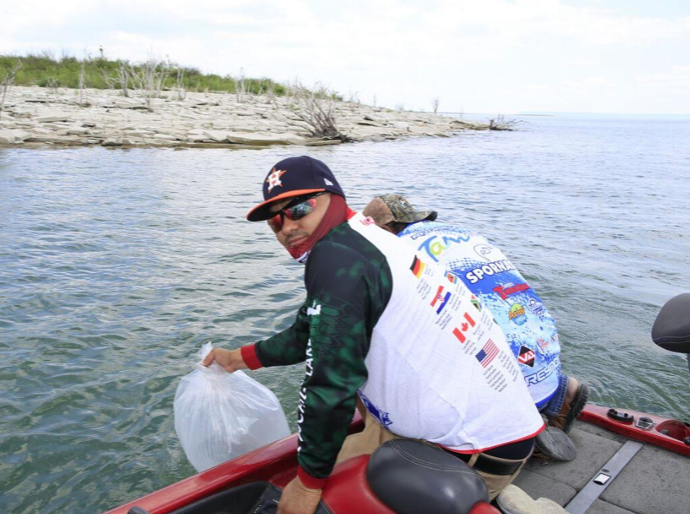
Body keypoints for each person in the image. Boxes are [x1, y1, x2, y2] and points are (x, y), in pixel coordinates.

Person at [203, 156, 545, 514]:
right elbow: (309, 332)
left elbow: (332, 383)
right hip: (478, 425)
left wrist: (307, 486)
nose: (287, 227)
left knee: (309, 497)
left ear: (333, 197)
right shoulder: (363, 236)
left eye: (299, 208)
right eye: (275, 220)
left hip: (470, 448)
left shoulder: (337, 260)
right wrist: (239, 358)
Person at [361, 194, 589, 443]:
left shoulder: (395, 252)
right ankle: (559, 396)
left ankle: (510, 433)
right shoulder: (462, 235)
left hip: (502, 396)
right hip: (545, 362)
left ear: (382, 230)